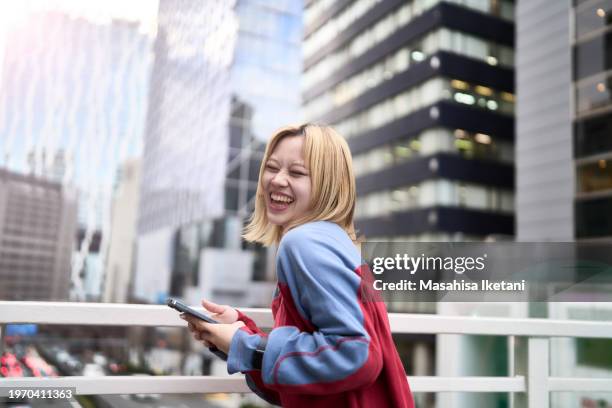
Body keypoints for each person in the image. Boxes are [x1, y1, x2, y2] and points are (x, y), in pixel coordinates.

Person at [180, 124, 414, 407]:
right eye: (272, 167)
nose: (277, 180)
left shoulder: (303, 243)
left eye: (297, 173)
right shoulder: (338, 243)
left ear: (327, 184)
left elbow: (357, 354)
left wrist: (243, 344)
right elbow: (309, 372)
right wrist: (240, 333)